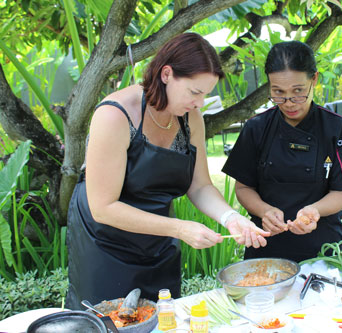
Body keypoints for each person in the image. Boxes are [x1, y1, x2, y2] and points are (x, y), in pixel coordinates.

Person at [66, 33, 269, 309]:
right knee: (109, 322)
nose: (199, 103)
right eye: (194, 92)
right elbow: (103, 206)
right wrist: (180, 228)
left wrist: (231, 218)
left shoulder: (191, 118)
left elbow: (199, 186)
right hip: (105, 242)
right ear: (166, 74)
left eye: (205, 94)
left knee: (164, 316)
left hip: (159, 240)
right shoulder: (115, 115)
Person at [222, 41, 342, 262]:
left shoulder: (337, 129)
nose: (288, 103)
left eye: (298, 91)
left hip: (324, 249)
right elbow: (243, 187)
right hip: (265, 247)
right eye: (278, 92)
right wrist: (264, 211)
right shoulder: (256, 128)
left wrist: (314, 211)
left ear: (314, 79)